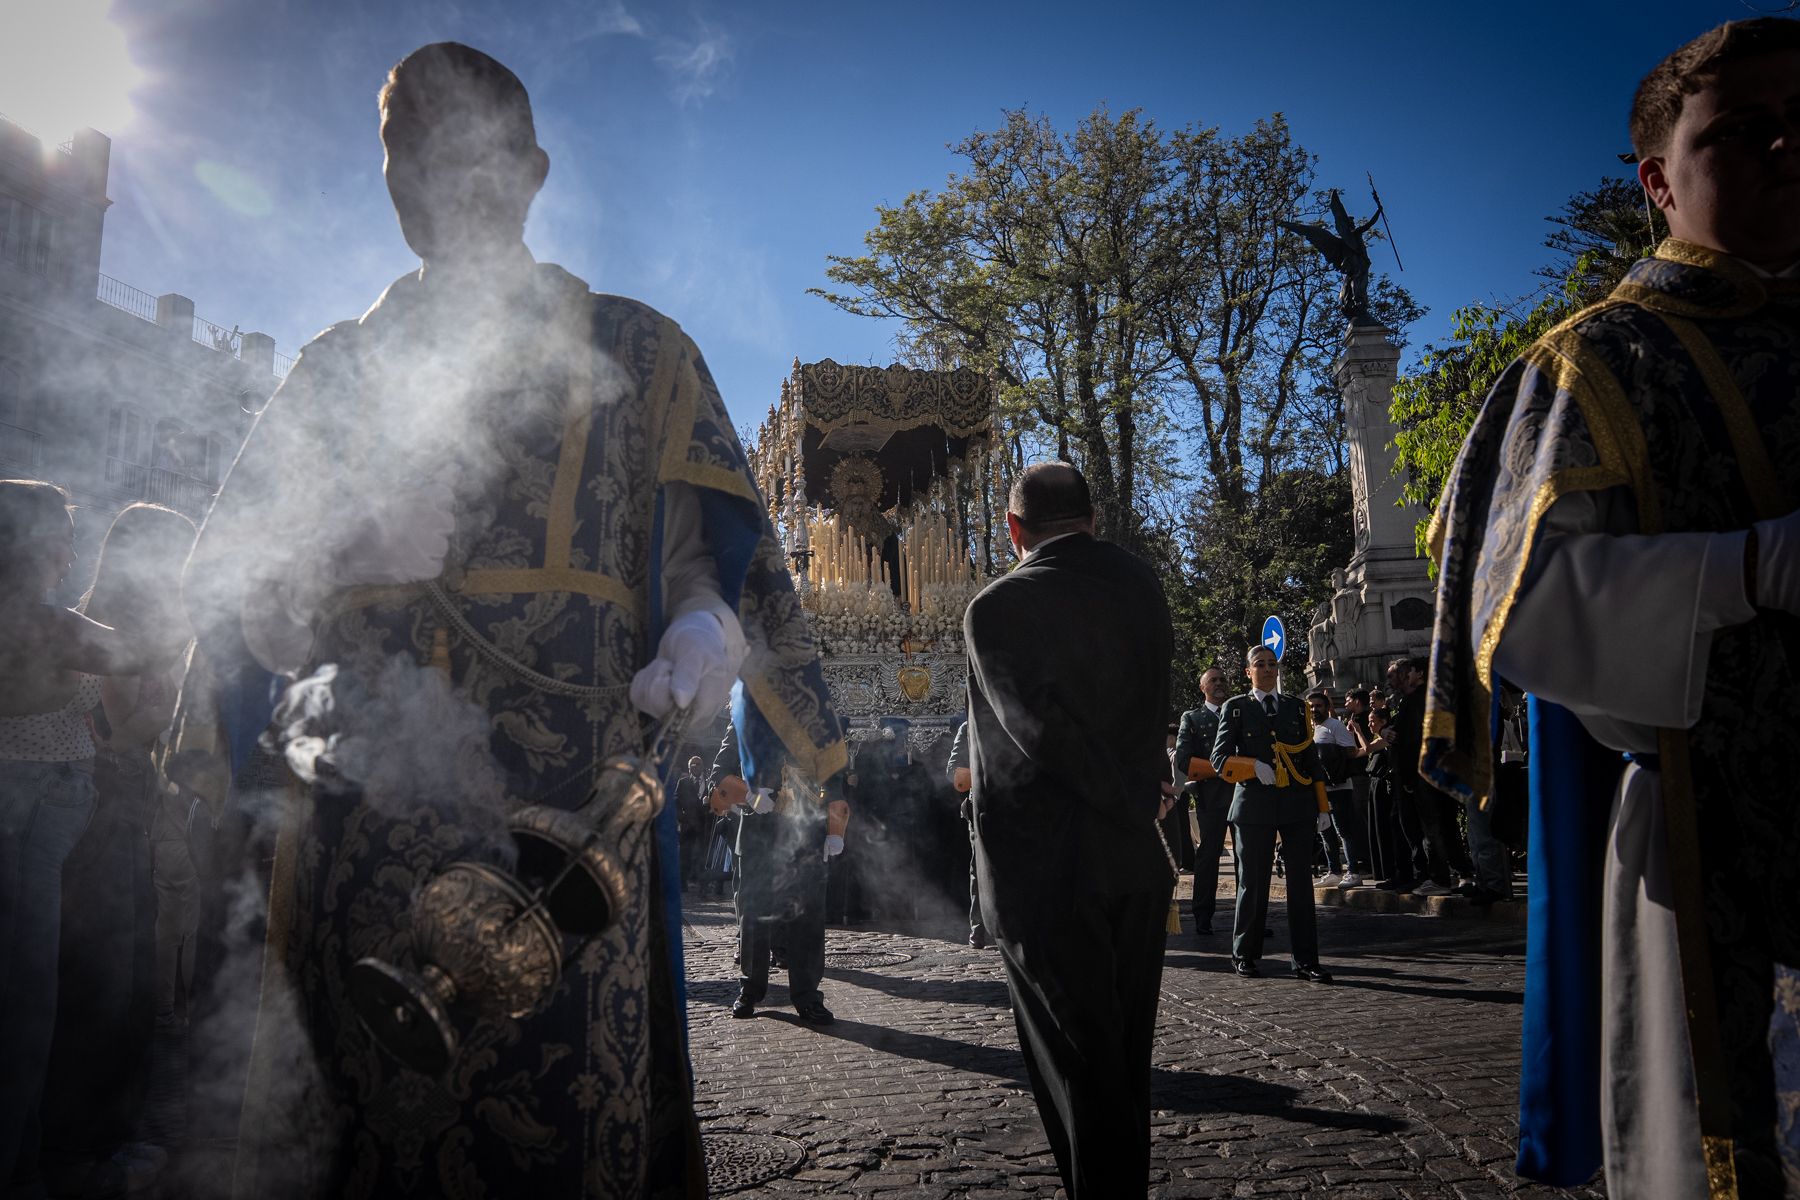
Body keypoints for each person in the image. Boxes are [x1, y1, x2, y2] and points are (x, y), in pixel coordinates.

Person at [182, 44, 843, 1198]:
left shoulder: (638, 352)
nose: (422, 181)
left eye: (453, 150)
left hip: (569, 850)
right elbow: (229, 599)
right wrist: (342, 549)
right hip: (363, 849)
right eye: (400, 156)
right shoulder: (337, 372)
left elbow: (716, 568)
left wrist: (700, 635)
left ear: (531, 170)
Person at [1420, 18, 1800, 1194]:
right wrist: (1750, 570)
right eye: (1743, 131)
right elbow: (1521, 607)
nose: (1789, 149)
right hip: (1706, 849)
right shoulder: (1599, 363)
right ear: (1656, 178)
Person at [963, 462, 1174, 1198]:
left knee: (1080, 1070)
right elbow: (1150, 707)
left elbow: (1038, 734)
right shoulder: (1142, 585)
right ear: (1094, 519)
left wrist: (1120, 796)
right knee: (1122, 1063)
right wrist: (1141, 798)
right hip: (1136, 861)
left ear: (1013, 529)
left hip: (1046, 872)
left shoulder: (996, 606)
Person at [0, 481, 188, 1194]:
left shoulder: (44, 617)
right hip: (24, 827)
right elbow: (138, 653)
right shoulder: (40, 621)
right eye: (62, 535)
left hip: (43, 819)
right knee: (25, 1008)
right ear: (34, 546)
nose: (72, 549)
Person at [1210, 646, 1332, 983]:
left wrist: (1322, 805)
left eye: (1271, 664)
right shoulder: (1236, 708)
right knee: (1253, 883)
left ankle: (1306, 960)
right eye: (1259, 665)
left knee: (1301, 886)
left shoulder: (1296, 707)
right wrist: (1252, 766)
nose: (1266, 669)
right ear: (1248, 671)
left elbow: (1310, 758)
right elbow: (1220, 760)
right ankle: (1244, 953)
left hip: (1296, 804)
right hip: (1254, 806)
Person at [710, 720, 841, 1025]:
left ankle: (808, 996)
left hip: (805, 833)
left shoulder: (813, 717)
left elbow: (831, 778)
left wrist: (834, 830)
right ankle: (750, 990)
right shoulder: (744, 719)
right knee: (754, 918)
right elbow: (719, 772)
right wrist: (750, 796)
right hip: (759, 834)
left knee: (806, 919)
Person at [1172, 667, 1235, 935]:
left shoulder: (1239, 712)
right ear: (1203, 688)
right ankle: (1203, 914)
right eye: (1213, 681)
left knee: (1248, 857)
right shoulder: (1193, 719)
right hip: (1211, 796)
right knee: (1208, 857)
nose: (1219, 684)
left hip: (1244, 794)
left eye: (1223, 680)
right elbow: (1184, 759)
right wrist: (1223, 768)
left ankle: (1251, 915)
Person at [1307, 690, 1367, 888]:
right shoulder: (1310, 729)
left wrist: (1329, 756)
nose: (1315, 709)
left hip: (1339, 787)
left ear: (1326, 707)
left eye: (1318, 706)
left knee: (1343, 830)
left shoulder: (1335, 726)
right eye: (1311, 706)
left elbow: (1350, 751)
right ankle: (1334, 870)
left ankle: (1353, 871)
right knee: (1325, 830)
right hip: (1319, 788)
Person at [947, 718, 987, 948]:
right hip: (1012, 806)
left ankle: (978, 929)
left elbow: (960, 781)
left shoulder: (970, 726)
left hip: (983, 806)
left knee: (979, 869)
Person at [675, 754, 706, 888]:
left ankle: (703, 883)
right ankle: (682, 883)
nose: (695, 766)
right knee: (685, 855)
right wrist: (681, 817)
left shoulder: (710, 781)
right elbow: (675, 801)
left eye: (698, 764)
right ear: (688, 768)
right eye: (692, 764)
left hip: (705, 825)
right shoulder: (683, 782)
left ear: (703, 766)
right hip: (688, 824)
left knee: (703, 855)